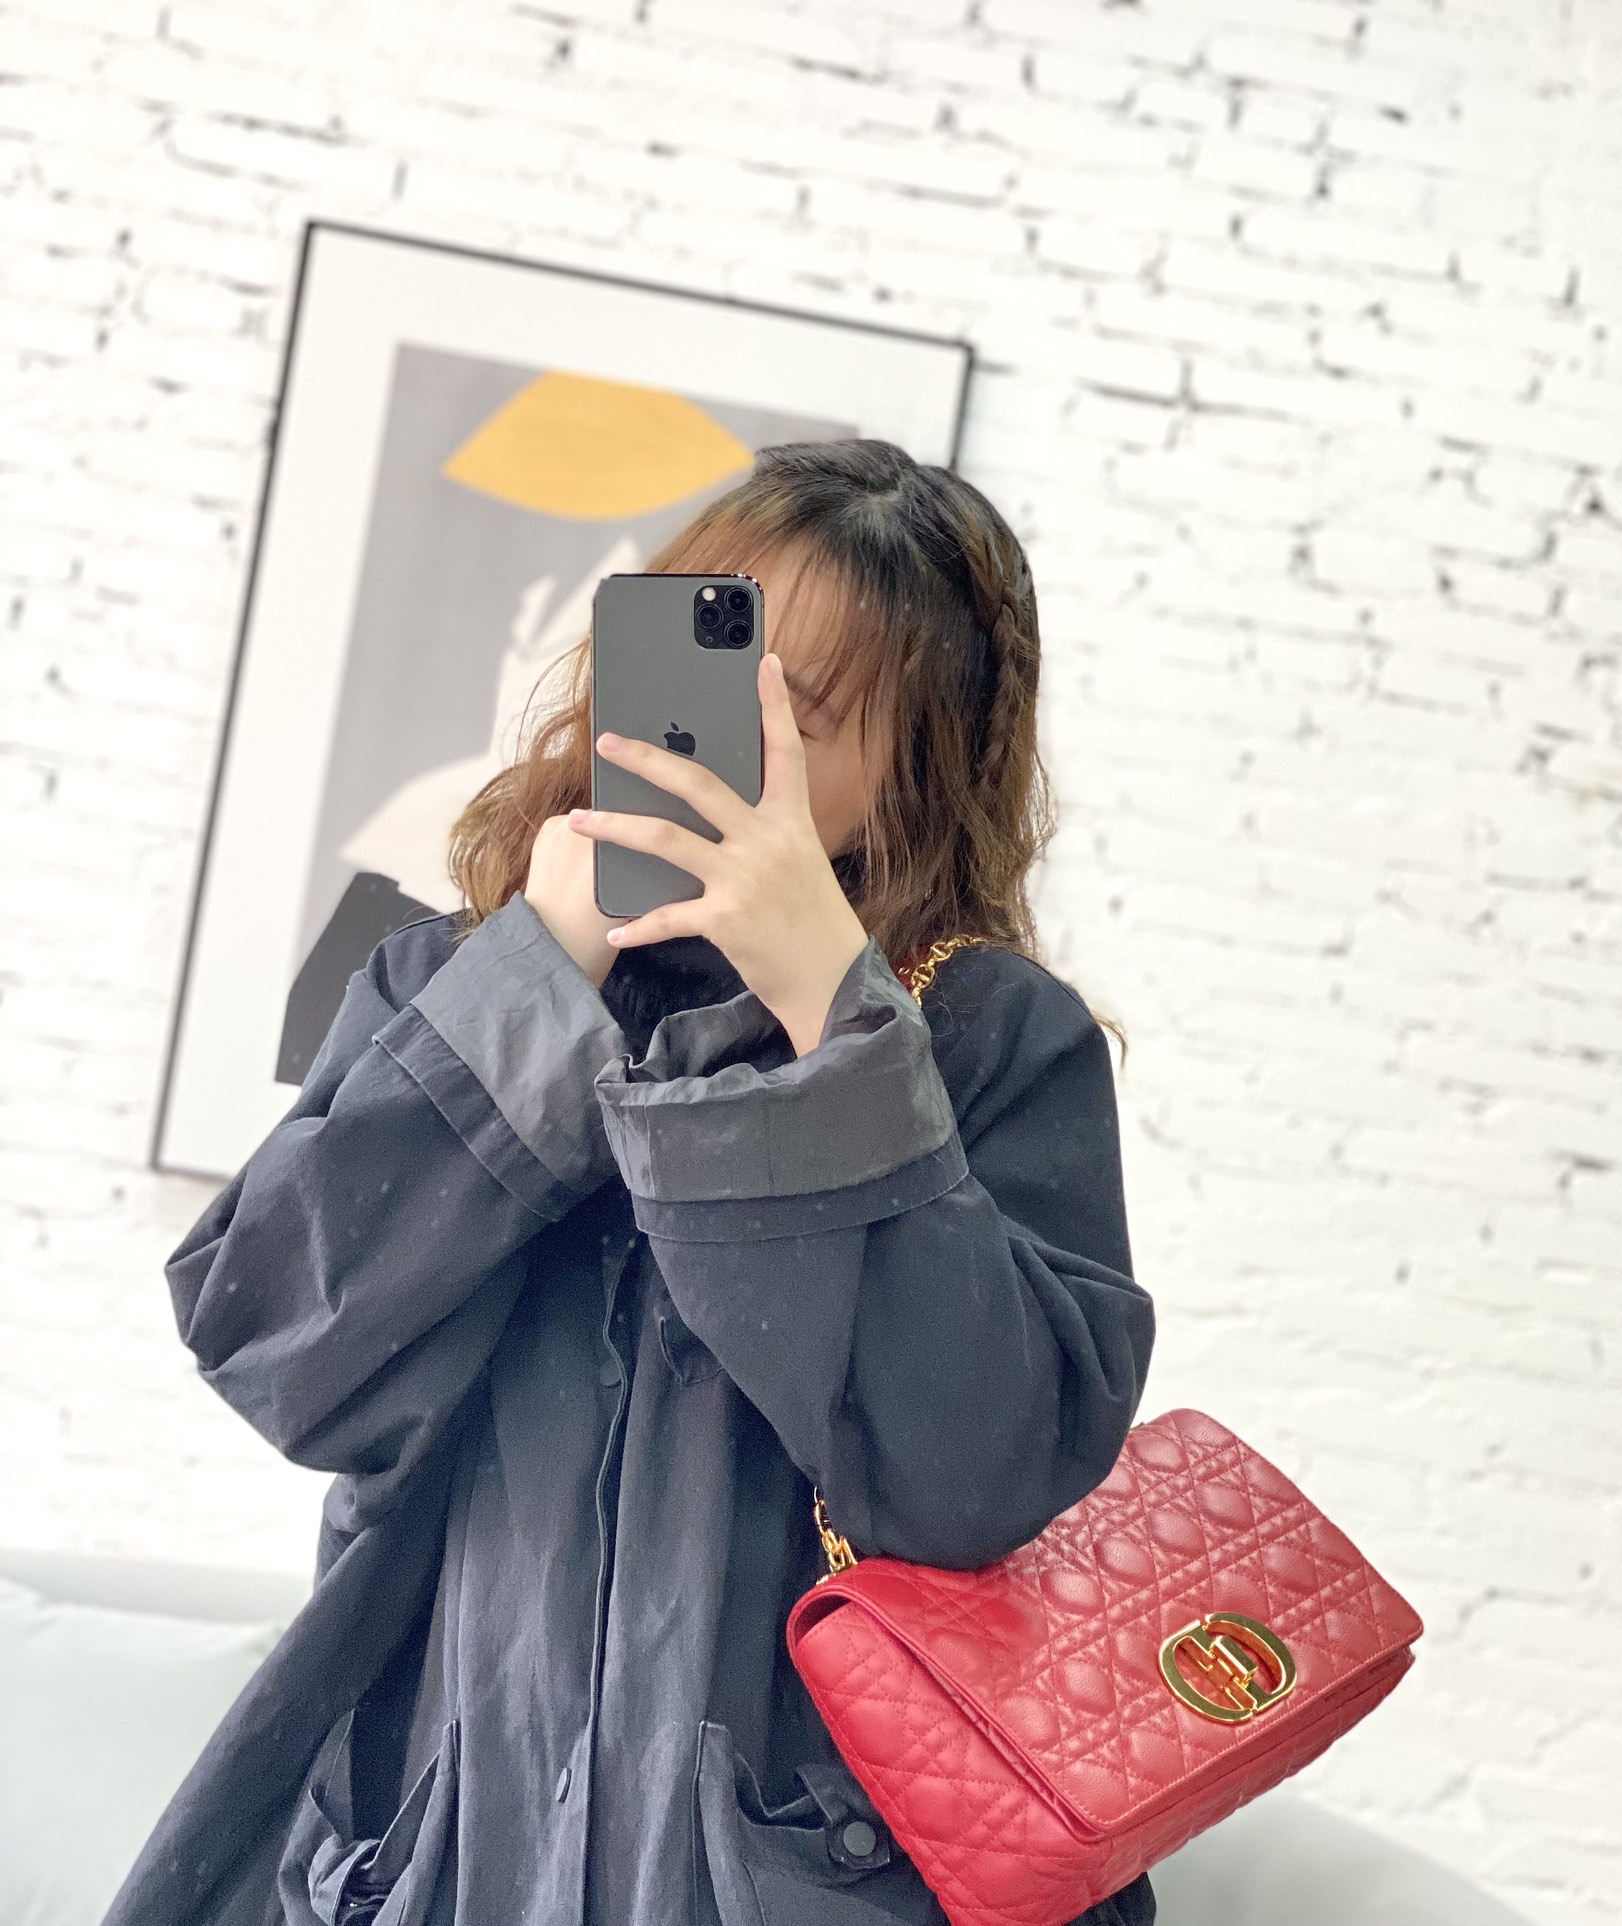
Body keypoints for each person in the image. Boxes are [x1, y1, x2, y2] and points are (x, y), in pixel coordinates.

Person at [102, 439, 1158, 1926]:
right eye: (715, 679)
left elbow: (979, 1476)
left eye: (807, 716)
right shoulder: (444, 981)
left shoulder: (985, 1039)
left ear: (920, 764)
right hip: (446, 1854)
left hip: (798, 1873)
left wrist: (831, 1014)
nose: (730, 747)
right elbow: (277, 1346)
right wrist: (539, 978)